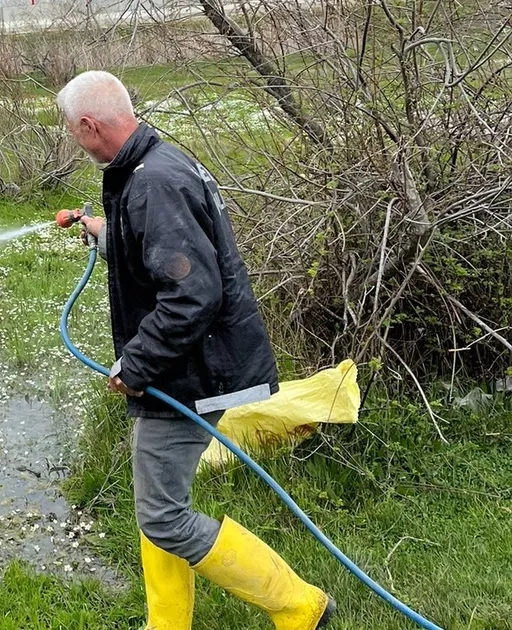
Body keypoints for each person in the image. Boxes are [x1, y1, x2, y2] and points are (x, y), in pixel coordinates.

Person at [55, 70, 335, 630]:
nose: (73, 140)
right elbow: (160, 253)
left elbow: (192, 292)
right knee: (156, 502)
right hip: (188, 363)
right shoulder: (152, 164)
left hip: (193, 372)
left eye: (72, 130)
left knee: (162, 515)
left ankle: (301, 607)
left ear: (89, 125)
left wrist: (136, 364)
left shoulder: (152, 182)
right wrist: (100, 230)